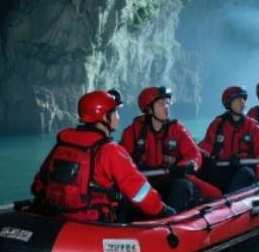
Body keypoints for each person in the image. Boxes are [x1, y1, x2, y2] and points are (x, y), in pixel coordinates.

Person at [31, 89, 174, 222]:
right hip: (95, 221)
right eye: (115, 112)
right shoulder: (109, 150)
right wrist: (162, 210)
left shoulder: (63, 144)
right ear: (105, 117)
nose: (118, 117)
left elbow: (38, 185)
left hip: (59, 217)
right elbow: (139, 190)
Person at [120, 85, 220, 210]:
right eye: (161, 104)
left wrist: (186, 165)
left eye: (167, 103)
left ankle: (173, 217)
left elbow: (194, 154)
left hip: (171, 178)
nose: (166, 107)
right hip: (144, 182)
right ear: (149, 109)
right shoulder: (132, 132)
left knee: (200, 190)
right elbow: (122, 161)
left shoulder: (177, 129)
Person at [199, 85, 259, 193]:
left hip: (244, 169)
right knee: (207, 169)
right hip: (224, 168)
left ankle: (231, 200)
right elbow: (207, 145)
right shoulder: (218, 124)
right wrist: (199, 157)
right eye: (238, 100)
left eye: (243, 100)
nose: (242, 103)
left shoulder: (253, 126)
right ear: (228, 103)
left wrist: (253, 166)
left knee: (246, 172)